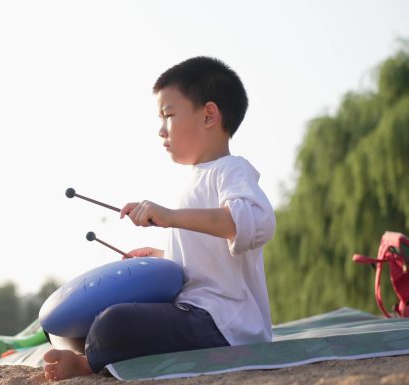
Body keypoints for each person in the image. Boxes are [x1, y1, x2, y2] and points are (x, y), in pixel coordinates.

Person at [42, 56, 276, 382]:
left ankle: (85, 363)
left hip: (224, 321)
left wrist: (169, 216)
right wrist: (159, 256)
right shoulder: (191, 180)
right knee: (67, 320)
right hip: (190, 310)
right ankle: (85, 349)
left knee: (114, 324)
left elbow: (256, 222)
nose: (161, 129)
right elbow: (205, 259)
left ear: (209, 115)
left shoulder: (232, 170)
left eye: (168, 115)